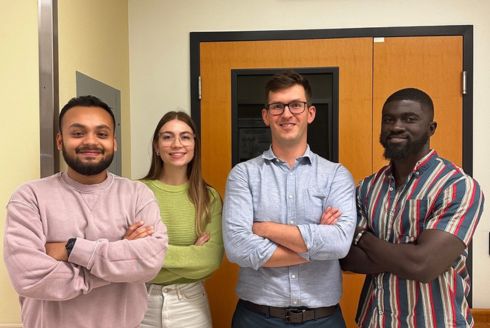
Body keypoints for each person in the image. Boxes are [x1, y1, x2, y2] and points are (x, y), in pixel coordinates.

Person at [3, 95, 168, 328]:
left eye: (102, 134)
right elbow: (29, 277)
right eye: (78, 133)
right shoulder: (30, 197)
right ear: (60, 141)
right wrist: (120, 261)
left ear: (114, 142)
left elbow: (150, 261)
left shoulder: (137, 195)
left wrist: (71, 249)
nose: (91, 142)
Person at [340, 88, 485, 327]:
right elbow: (346, 259)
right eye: (389, 119)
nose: (396, 126)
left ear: (431, 128)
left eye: (409, 119)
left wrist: (361, 237)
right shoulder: (367, 187)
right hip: (375, 321)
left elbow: (423, 266)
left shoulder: (456, 186)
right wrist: (408, 255)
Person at [223, 71, 356, 327]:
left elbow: (339, 244)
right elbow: (238, 247)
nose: (286, 114)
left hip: (323, 319)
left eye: (296, 105)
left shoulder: (336, 175)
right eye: (277, 106)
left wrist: (265, 229)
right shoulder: (243, 175)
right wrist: (317, 244)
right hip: (256, 318)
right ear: (266, 116)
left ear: (310, 113)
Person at [140, 111, 223, 328]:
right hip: (140, 303)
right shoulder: (136, 192)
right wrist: (190, 253)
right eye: (167, 137)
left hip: (190, 305)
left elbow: (210, 259)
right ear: (157, 146)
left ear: (194, 145)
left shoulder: (209, 197)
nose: (177, 144)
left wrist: (147, 248)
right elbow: (124, 254)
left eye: (185, 137)